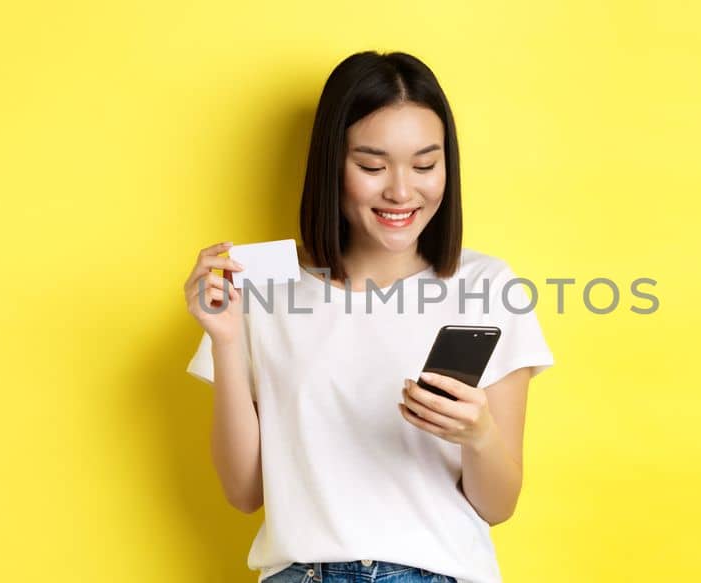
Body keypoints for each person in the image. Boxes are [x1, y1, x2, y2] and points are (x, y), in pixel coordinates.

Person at [183, 50, 554, 583]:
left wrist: (479, 435)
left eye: (425, 165)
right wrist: (224, 339)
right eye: (372, 166)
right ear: (332, 164)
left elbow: (498, 505)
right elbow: (244, 493)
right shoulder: (265, 288)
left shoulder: (488, 285)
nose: (402, 191)